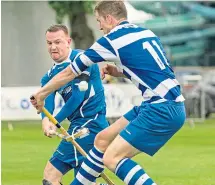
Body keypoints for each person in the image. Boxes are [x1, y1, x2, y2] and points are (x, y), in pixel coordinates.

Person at [31, 1, 186, 185]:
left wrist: (41, 93)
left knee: (112, 158)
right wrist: (119, 71)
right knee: (102, 140)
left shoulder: (112, 40)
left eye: (99, 21)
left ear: (109, 19)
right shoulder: (145, 32)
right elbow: (156, 70)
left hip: (161, 108)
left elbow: (71, 71)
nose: (100, 27)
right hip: (161, 104)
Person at [37, 24, 109, 185]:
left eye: (58, 42)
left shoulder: (82, 60)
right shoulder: (48, 76)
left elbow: (77, 98)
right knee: (85, 182)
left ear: (68, 41)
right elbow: (46, 102)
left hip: (89, 125)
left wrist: (55, 122)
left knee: (50, 175)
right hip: (81, 126)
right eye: (49, 43)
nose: (53, 47)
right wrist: (45, 120)